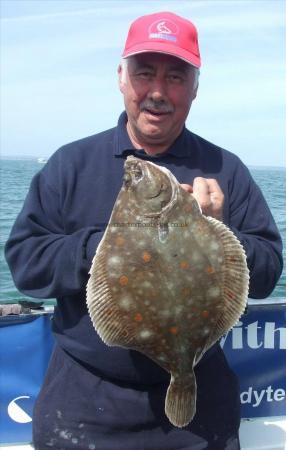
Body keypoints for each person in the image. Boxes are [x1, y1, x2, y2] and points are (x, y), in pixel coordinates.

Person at [5, 11, 283, 450]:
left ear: (195, 88)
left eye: (175, 76)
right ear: (121, 77)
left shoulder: (226, 170)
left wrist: (216, 233)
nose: (157, 91)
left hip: (201, 410)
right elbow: (26, 264)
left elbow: (268, 272)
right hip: (85, 404)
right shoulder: (70, 164)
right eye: (144, 73)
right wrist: (112, 247)